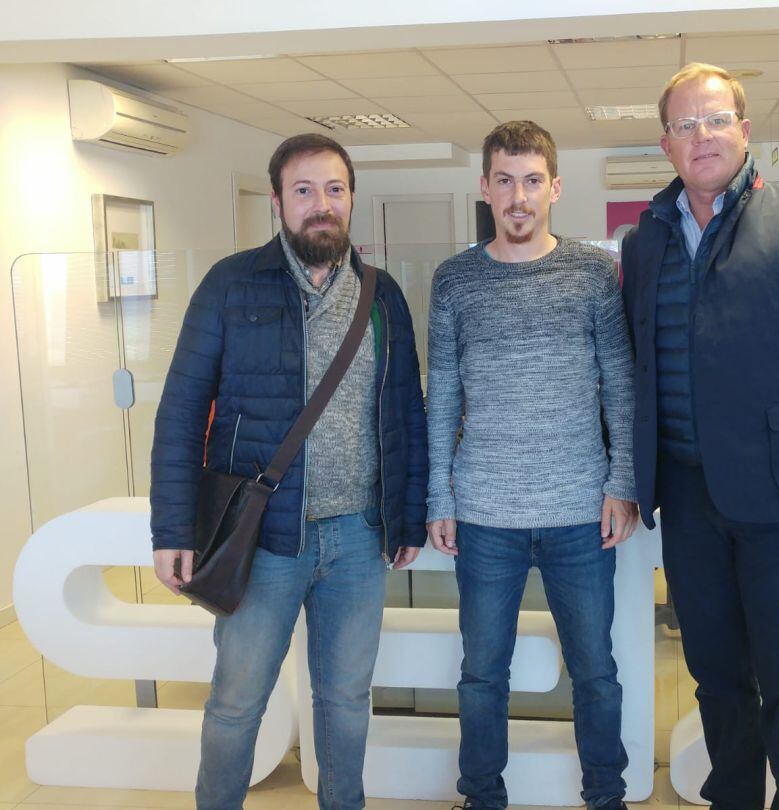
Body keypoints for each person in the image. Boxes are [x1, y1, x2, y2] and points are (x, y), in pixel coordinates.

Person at [620, 64, 779, 810]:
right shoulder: (646, 241)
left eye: (714, 120)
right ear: (666, 144)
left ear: (744, 128)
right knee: (715, 674)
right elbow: (638, 365)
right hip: (687, 496)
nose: (699, 136)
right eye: (683, 124)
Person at [149, 133, 428, 810]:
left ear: (352, 199)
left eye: (334, 190)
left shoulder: (383, 295)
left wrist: (409, 515)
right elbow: (181, 411)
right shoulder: (229, 284)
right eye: (303, 191)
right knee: (237, 703)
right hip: (263, 537)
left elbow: (405, 416)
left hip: (359, 538)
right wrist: (172, 529)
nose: (321, 205)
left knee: (346, 703)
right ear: (277, 201)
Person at [425, 120, 637, 810]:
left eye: (533, 181)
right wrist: (440, 497)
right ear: (484, 187)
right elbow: (443, 396)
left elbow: (622, 381)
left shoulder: (593, 272)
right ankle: (482, 798)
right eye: (505, 181)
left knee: (596, 673)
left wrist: (622, 482)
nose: (519, 196)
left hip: (581, 511)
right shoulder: (455, 280)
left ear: (555, 187)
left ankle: (605, 796)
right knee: (483, 675)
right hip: (485, 515)